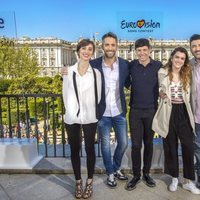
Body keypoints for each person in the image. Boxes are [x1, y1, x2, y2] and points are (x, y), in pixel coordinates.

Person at [62, 32, 130, 188]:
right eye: (107, 44)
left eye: (113, 44)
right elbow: (76, 73)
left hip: (119, 111)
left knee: (124, 143)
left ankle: (116, 167)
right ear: (102, 46)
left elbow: (129, 82)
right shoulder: (95, 65)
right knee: (105, 146)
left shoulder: (125, 64)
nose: (110, 47)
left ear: (117, 46)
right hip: (102, 113)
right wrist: (63, 71)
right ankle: (110, 173)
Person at [152, 47, 200, 194]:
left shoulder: (187, 73)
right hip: (169, 111)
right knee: (170, 146)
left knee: (188, 147)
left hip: (185, 112)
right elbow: (159, 89)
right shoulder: (162, 72)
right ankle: (174, 177)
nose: (179, 60)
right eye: (177, 57)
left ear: (185, 61)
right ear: (171, 57)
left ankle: (188, 181)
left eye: (182, 58)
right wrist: (161, 93)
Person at [62, 39, 102, 199]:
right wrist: (72, 111)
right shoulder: (67, 71)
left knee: (90, 150)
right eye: (83, 48)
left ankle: (89, 182)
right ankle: (78, 181)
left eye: (90, 49)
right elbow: (65, 94)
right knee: (74, 150)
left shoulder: (96, 73)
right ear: (78, 51)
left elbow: (98, 96)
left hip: (90, 116)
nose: (86, 51)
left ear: (93, 53)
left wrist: (89, 110)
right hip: (72, 117)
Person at [126, 38, 162, 191]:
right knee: (135, 145)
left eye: (144, 50)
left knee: (149, 144)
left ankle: (146, 173)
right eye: (139, 50)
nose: (142, 53)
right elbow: (124, 81)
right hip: (134, 111)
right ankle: (136, 175)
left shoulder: (158, 66)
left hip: (152, 110)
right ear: (136, 51)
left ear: (150, 50)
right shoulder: (131, 65)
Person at [190, 34, 200, 189]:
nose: (197, 49)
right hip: (196, 116)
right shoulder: (189, 64)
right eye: (194, 46)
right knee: (198, 151)